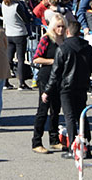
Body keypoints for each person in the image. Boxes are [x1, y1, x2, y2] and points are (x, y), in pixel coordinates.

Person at [44, 19, 92, 158]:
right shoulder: (88, 47)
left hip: (66, 86)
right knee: (82, 116)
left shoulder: (63, 48)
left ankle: (73, 148)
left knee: (70, 117)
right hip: (82, 85)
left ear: (67, 32)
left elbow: (55, 73)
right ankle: (87, 146)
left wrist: (47, 90)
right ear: (79, 32)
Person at [32, 13, 64, 154]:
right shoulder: (46, 39)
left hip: (59, 78)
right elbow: (36, 59)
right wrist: (53, 61)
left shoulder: (64, 40)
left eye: (63, 26)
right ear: (53, 27)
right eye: (58, 26)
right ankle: (36, 141)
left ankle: (54, 139)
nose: (61, 29)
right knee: (43, 109)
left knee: (56, 109)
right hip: (46, 76)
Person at [0, 0, 31, 90]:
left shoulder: (3, 5)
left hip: (9, 33)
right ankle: (21, 83)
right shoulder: (17, 6)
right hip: (19, 33)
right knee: (21, 59)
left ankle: (5, 81)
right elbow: (25, 19)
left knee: (8, 58)